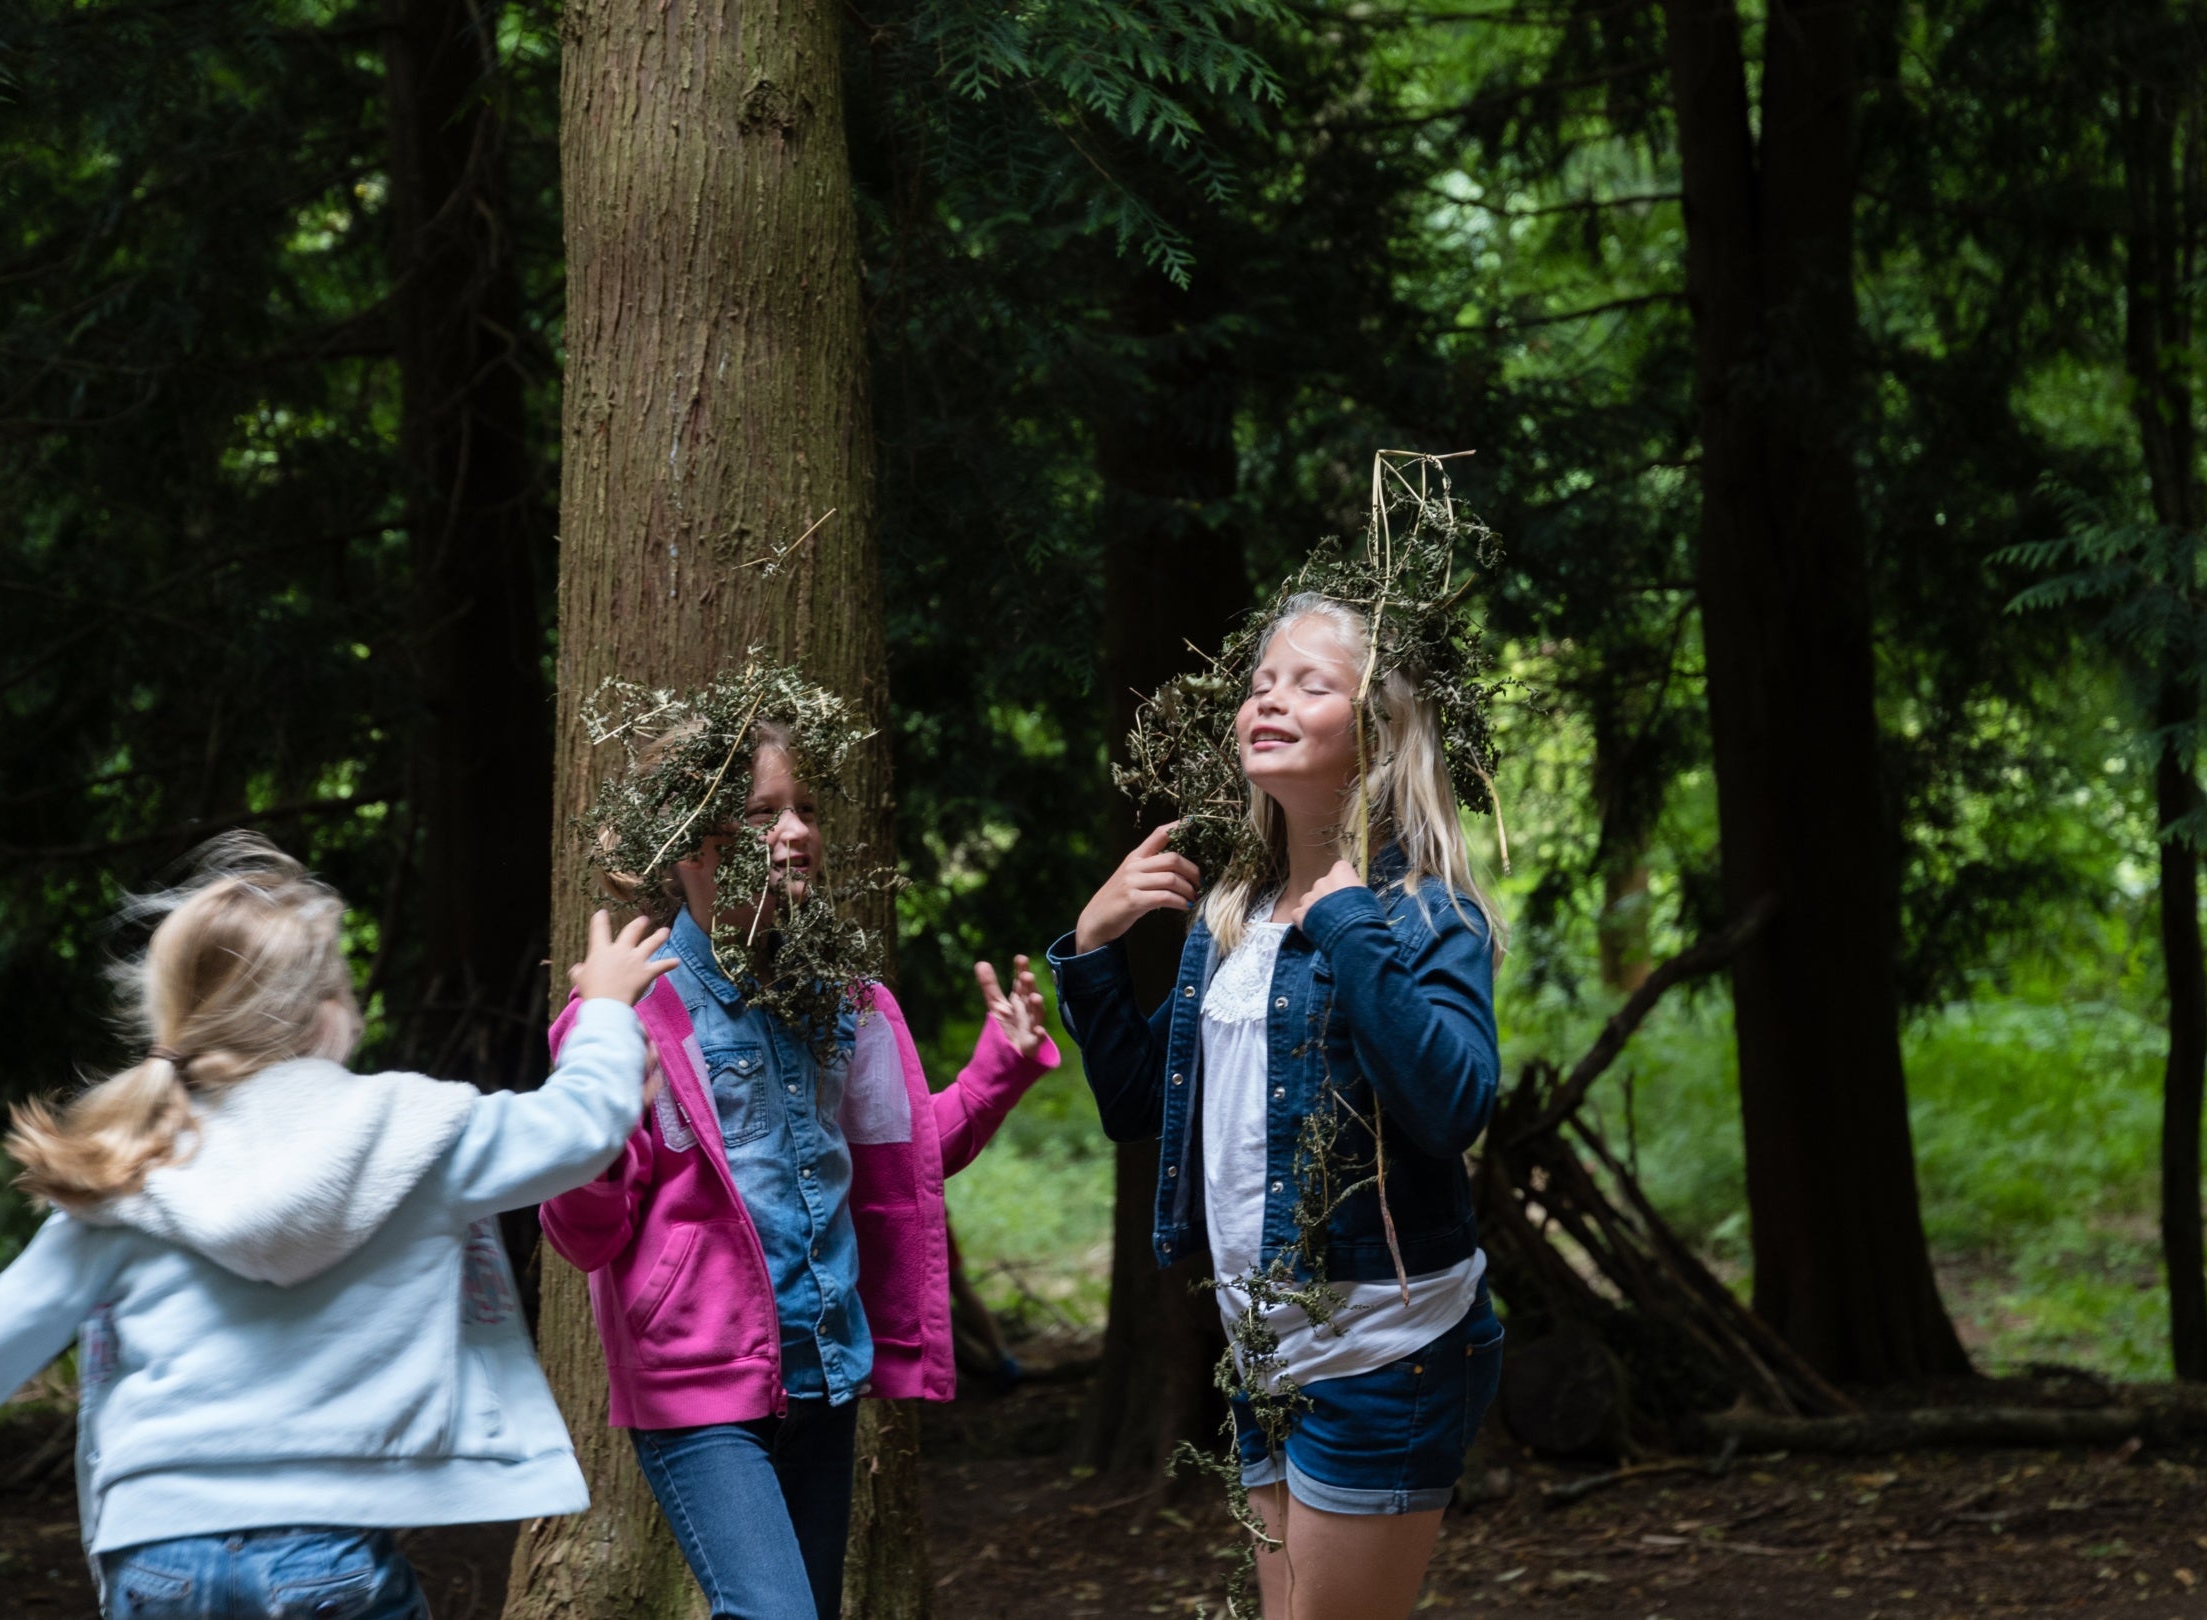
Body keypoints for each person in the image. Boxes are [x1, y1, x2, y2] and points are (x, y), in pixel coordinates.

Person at [0, 833, 675, 1620]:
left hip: (158, 1554)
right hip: (331, 1556)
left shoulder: (130, 1167)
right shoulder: (418, 1133)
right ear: (330, 1011)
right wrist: (603, 1011)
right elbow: (577, 1132)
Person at [1050, 592, 1506, 1620]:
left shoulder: (1426, 915)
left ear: (1379, 735)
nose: (1269, 700)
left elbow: (1452, 1105)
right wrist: (1091, 948)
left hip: (1386, 1349)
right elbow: (1140, 1111)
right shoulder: (1232, 923)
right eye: (1260, 684)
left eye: (1309, 684)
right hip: (1266, 1354)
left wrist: (1346, 919)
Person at [541, 719, 1058, 1620]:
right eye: (761, 813)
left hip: (823, 1371)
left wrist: (996, 1071)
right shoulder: (634, 1014)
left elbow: (907, 1166)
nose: (796, 832)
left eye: (806, 809)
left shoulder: (847, 1002)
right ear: (690, 841)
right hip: (698, 1386)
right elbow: (583, 1232)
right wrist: (599, 1084)